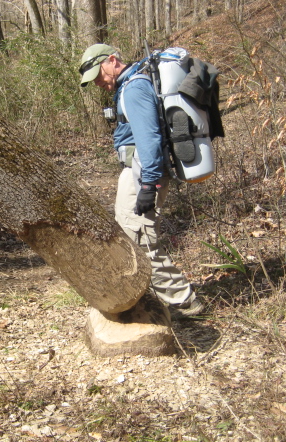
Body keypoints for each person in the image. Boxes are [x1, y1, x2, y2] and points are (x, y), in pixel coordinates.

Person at [79, 43, 204, 318]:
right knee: (131, 232)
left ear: (112, 60)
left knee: (139, 238)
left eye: (98, 75)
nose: (98, 83)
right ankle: (164, 294)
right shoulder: (129, 86)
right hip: (137, 170)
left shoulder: (134, 88)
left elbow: (149, 140)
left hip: (143, 172)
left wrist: (148, 184)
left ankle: (183, 301)